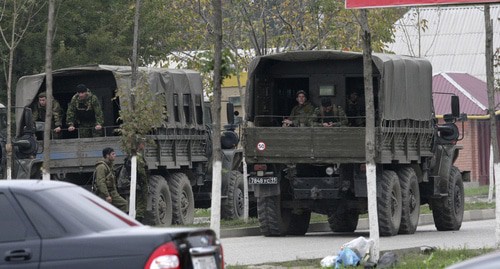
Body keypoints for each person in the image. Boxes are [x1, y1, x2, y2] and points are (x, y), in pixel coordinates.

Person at [95, 147, 128, 212]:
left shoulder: (109, 165)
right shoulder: (102, 167)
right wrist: (107, 195)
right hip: (107, 193)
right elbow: (101, 182)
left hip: (112, 193)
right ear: (107, 156)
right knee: (124, 204)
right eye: (113, 154)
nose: (115, 155)